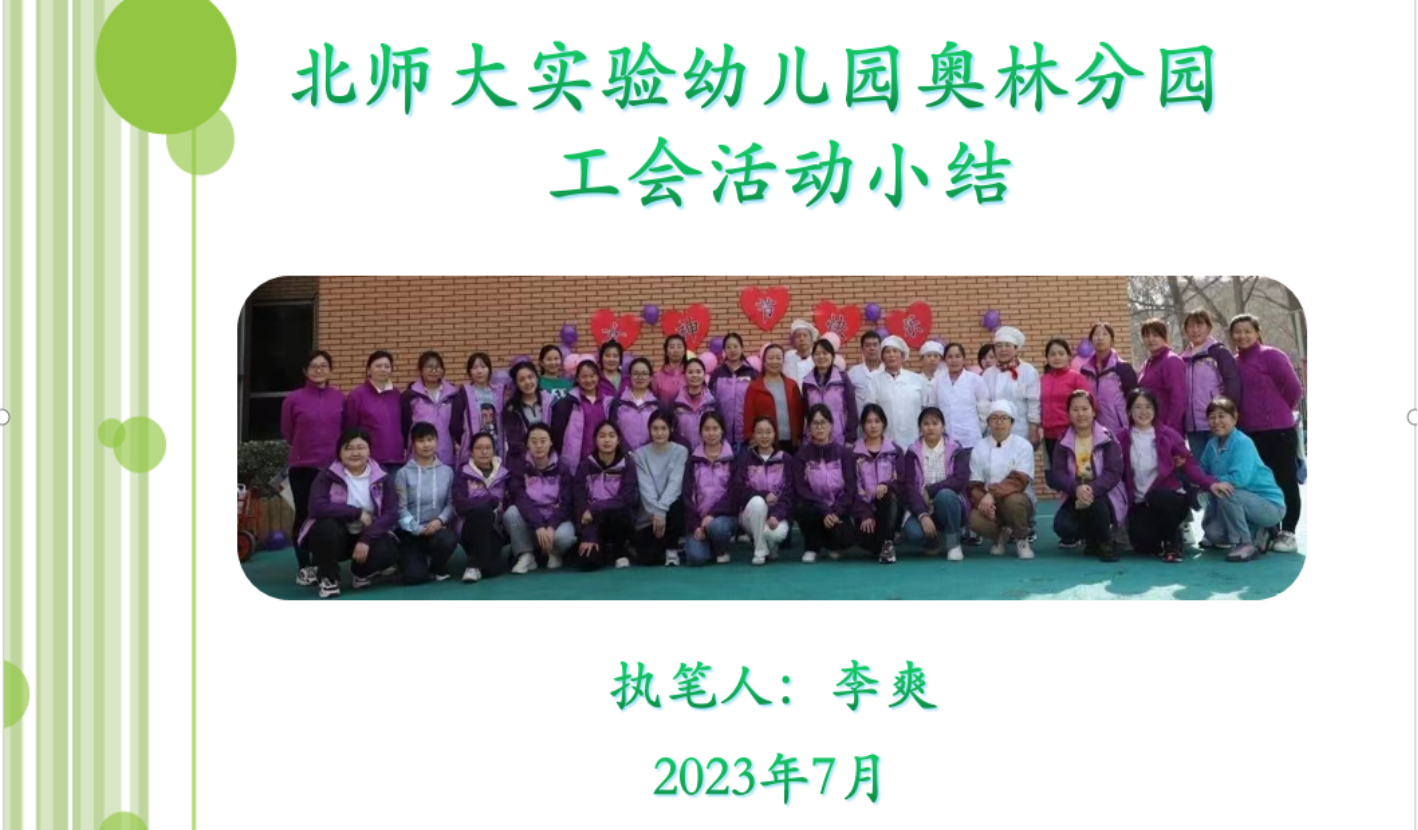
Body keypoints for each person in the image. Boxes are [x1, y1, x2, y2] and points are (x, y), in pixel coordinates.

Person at [1118, 388, 1220, 564]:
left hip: (1170, 498)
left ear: (1155, 410)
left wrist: (1209, 483)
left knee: (1159, 497)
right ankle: (1159, 536)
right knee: (1145, 548)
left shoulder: (1169, 435)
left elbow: (1189, 464)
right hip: (1140, 502)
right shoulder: (1121, 437)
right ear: (1129, 411)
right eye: (1137, 407)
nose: (1143, 412)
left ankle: (1173, 540)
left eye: (1148, 407)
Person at [1229, 313, 1304, 552]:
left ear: (1257, 333)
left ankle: (1288, 532)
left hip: (1278, 431)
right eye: (1237, 332)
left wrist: (1279, 411)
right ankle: (1269, 529)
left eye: (1247, 331)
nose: (1242, 336)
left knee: (1285, 481)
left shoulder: (1271, 355)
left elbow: (1294, 389)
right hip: (1248, 434)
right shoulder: (1233, 362)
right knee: (1260, 483)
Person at [296, 429, 399, 599]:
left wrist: (366, 539)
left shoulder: (381, 476)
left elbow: (391, 513)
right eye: (349, 448)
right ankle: (328, 578)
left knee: (390, 549)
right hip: (336, 536)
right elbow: (316, 507)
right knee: (326, 526)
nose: (355, 453)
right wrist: (356, 513)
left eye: (361, 447)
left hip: (365, 534)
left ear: (369, 450)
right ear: (339, 452)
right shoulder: (327, 475)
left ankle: (361, 572)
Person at [282, 350, 345, 586]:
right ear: (305, 371)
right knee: (303, 514)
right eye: (314, 366)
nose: (319, 370)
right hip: (303, 467)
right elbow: (288, 432)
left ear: (330, 369)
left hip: (332, 469)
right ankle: (304, 566)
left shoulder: (339, 398)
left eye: (323, 365)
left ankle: (322, 562)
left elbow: (344, 430)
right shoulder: (293, 399)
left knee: (328, 516)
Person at [1197, 397, 1287, 562]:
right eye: (1212, 417)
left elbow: (1240, 479)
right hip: (1242, 500)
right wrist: (1206, 481)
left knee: (1225, 492)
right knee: (1214, 535)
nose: (1216, 421)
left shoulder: (1243, 443)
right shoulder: (1212, 444)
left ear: (1234, 418)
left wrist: (1212, 482)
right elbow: (1201, 473)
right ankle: (1260, 532)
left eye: (1221, 416)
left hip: (1269, 505)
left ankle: (1245, 543)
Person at [1045, 391, 1125, 561]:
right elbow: (1058, 473)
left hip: (1103, 492)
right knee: (1063, 526)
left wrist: (1090, 488)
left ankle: (1105, 542)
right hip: (1075, 492)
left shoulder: (1108, 437)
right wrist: (1076, 488)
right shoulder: (1063, 440)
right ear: (1068, 413)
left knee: (1096, 503)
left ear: (1093, 411)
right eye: (1075, 409)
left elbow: (1114, 471)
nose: (1080, 414)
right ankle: (1091, 539)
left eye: (1085, 408)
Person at [967, 401, 1037, 559]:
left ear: (1012, 422)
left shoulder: (1023, 445)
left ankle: (1022, 539)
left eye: (1004, 418)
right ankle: (999, 536)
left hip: (1018, 499)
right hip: (989, 502)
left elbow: (1019, 480)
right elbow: (975, 484)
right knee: (974, 519)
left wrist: (991, 494)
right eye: (994, 418)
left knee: (1013, 501)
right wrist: (983, 503)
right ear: (988, 423)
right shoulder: (979, 447)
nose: (999, 423)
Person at [504, 423, 577, 574]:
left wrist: (551, 526)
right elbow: (521, 499)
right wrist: (538, 525)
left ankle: (554, 552)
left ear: (551, 442)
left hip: (555, 520)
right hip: (531, 521)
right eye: (534, 441)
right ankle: (526, 554)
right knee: (511, 513)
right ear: (527, 444)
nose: (538, 446)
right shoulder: (520, 468)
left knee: (564, 538)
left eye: (543, 441)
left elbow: (566, 503)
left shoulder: (562, 468)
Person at [900, 408, 971, 560]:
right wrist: (922, 514)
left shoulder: (956, 449)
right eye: (926, 424)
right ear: (920, 428)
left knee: (945, 495)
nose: (930, 427)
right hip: (924, 506)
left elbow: (960, 480)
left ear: (943, 426)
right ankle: (932, 542)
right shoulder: (912, 453)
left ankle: (953, 544)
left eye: (935, 423)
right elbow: (910, 487)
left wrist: (930, 490)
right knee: (912, 532)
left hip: (950, 504)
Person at [394, 422, 458, 584]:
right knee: (414, 577)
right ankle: (412, 561)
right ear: (413, 444)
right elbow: (401, 508)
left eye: (430, 439)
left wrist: (440, 521)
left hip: (436, 529)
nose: (426, 444)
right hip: (411, 533)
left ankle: (437, 566)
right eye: (421, 440)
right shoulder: (403, 473)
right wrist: (417, 529)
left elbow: (451, 503)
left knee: (448, 540)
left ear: (436, 441)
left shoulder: (447, 472)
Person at [792, 404, 858, 563]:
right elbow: (801, 489)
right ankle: (812, 547)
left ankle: (830, 545)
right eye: (815, 423)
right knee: (802, 509)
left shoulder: (844, 453)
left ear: (831, 425)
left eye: (823, 422)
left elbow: (850, 488)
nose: (819, 427)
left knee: (846, 538)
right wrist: (824, 509)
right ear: (809, 427)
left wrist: (835, 511)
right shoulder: (801, 455)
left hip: (837, 508)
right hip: (815, 508)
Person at [573, 421, 639, 570]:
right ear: (595, 440)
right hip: (592, 522)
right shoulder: (584, 466)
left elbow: (626, 499)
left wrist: (595, 508)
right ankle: (600, 550)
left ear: (618, 440)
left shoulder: (627, 464)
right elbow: (579, 500)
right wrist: (589, 535)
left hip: (617, 519)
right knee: (588, 562)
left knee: (620, 513)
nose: (607, 440)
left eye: (611, 436)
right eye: (602, 436)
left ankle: (620, 551)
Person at [1179, 309, 1243, 458]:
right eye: (1191, 326)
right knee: (1201, 466)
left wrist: (1226, 415)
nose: (1195, 330)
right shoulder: (1183, 358)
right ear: (1185, 330)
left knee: (1220, 464)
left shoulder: (1219, 353)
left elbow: (1233, 384)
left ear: (1209, 327)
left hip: (1216, 423)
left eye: (1199, 325)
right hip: (1193, 426)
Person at [733, 416, 793, 566]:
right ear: (753, 435)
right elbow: (740, 490)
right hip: (750, 515)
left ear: (775, 434)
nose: (764, 436)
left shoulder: (785, 459)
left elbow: (789, 493)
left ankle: (771, 544)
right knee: (758, 502)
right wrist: (763, 495)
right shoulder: (744, 459)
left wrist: (776, 515)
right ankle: (760, 549)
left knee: (776, 534)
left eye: (768, 432)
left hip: (777, 515)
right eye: (759, 432)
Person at [451, 432, 510, 583]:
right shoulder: (462, 474)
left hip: (496, 529)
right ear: (471, 452)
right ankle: (473, 565)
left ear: (494, 450)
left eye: (488, 448)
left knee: (491, 570)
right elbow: (460, 505)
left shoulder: (504, 474)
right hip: (469, 528)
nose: (484, 452)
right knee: (483, 511)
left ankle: (477, 564)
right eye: (479, 448)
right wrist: (489, 501)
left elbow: (510, 501)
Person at [682, 412, 738, 566]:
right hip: (698, 520)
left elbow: (734, 494)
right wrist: (695, 525)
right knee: (696, 558)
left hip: (723, 518)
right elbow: (687, 496)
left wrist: (713, 515)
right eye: (707, 429)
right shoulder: (693, 460)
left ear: (722, 430)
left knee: (718, 528)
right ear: (700, 432)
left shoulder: (733, 459)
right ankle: (709, 546)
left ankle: (722, 549)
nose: (711, 433)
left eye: (715, 428)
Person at [633, 411, 688, 566]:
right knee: (648, 559)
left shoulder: (681, 451)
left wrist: (662, 509)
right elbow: (645, 486)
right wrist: (656, 512)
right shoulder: (640, 454)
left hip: (669, 510)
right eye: (655, 428)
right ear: (649, 430)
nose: (659, 433)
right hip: (649, 516)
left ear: (671, 429)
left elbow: (675, 484)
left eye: (663, 428)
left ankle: (672, 549)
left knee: (677, 503)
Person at [851, 404, 903, 564]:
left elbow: (902, 481)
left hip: (890, 505)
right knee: (865, 540)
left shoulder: (895, 451)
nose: (873, 426)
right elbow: (851, 488)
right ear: (862, 425)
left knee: (888, 494)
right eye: (868, 422)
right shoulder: (853, 454)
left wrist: (887, 485)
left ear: (883, 424)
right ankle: (883, 541)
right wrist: (865, 513)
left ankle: (888, 543)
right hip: (865, 508)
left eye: (877, 421)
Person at [342, 350, 405, 477]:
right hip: (369, 461)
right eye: (378, 366)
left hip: (395, 460)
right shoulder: (357, 395)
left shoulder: (396, 394)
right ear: (369, 370)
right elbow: (350, 428)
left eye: (387, 366)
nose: (383, 369)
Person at [979, 327, 1041, 446]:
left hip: (1021, 431)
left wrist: (1033, 431)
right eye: (999, 346)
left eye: (1008, 345)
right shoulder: (988, 374)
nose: (1003, 349)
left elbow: (1034, 403)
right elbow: (983, 404)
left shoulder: (1028, 371)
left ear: (1016, 348)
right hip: (994, 433)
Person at [869, 335, 930, 450]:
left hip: (914, 440)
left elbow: (926, 410)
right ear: (882, 357)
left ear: (902, 356)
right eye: (887, 352)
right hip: (885, 442)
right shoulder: (874, 381)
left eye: (895, 351)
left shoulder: (918, 380)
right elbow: (870, 412)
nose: (891, 355)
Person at [1079, 322, 1138, 436]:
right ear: (1091, 341)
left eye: (1105, 334)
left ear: (1112, 341)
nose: (1100, 338)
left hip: (1120, 431)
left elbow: (1134, 401)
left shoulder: (1123, 368)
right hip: (1093, 431)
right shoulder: (1085, 370)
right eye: (1096, 334)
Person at [400, 350, 458, 466]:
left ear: (443, 370)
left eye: (437, 367)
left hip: (447, 458)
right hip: (418, 458)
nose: (433, 371)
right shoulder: (410, 396)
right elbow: (404, 427)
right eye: (429, 367)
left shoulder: (454, 395)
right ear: (420, 370)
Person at [549, 359, 612, 465]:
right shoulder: (568, 401)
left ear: (598, 377)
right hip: (576, 459)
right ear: (577, 379)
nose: (588, 380)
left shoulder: (607, 402)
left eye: (592, 376)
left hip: (602, 457)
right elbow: (557, 433)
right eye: (584, 376)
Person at [744, 344, 804, 452]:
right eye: (771, 358)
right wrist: (750, 436)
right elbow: (748, 414)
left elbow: (799, 414)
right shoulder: (755, 387)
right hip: (765, 441)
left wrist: (799, 435)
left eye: (778, 358)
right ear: (764, 361)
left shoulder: (792, 386)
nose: (775, 362)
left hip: (790, 442)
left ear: (783, 361)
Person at [1040, 338, 1091, 464]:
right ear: (1047, 358)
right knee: (1055, 471)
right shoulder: (1042, 380)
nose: (1057, 357)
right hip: (1049, 436)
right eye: (1052, 354)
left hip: (1072, 433)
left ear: (1068, 356)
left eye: (1061, 353)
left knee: (1076, 470)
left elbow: (1090, 404)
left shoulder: (1076, 378)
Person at [800, 337, 858, 445]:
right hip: (814, 438)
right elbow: (807, 413)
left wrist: (850, 438)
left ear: (832, 356)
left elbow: (852, 410)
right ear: (812, 357)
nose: (821, 357)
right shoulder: (807, 382)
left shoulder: (842, 379)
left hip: (839, 437)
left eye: (825, 353)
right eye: (817, 354)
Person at [450, 352, 505, 463]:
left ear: (489, 369)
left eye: (483, 367)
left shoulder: (499, 392)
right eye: (475, 368)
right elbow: (455, 425)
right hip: (472, 450)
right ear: (469, 371)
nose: (479, 371)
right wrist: (466, 441)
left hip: (496, 449)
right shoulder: (463, 394)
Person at [1136, 318, 1187, 435]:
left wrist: (1169, 430)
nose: (1151, 339)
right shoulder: (1147, 364)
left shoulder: (1172, 361)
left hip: (1167, 430)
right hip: (1148, 428)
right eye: (1146, 335)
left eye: (1155, 335)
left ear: (1164, 337)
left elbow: (1178, 399)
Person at [933, 342, 987, 450]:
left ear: (963, 359)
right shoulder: (938, 382)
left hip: (971, 438)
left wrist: (977, 429)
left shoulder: (975, 379)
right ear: (945, 360)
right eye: (950, 357)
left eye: (958, 356)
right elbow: (934, 408)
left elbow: (985, 408)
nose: (954, 360)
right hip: (945, 439)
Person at [710, 332, 759, 448]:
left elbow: (758, 404)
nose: (732, 350)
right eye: (728, 347)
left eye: (736, 346)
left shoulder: (752, 373)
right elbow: (710, 402)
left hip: (747, 435)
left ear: (742, 348)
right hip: (721, 435)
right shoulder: (717, 373)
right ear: (724, 351)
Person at [501, 360, 555, 459]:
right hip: (523, 460)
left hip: (549, 458)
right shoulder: (511, 409)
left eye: (530, 377)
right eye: (522, 380)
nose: (527, 382)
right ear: (516, 383)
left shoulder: (551, 402)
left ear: (537, 378)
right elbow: (513, 440)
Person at [609, 357, 661, 452]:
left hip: (650, 454)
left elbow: (660, 431)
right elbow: (613, 429)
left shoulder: (657, 404)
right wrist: (626, 451)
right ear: (630, 376)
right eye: (636, 373)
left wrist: (646, 452)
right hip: (623, 454)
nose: (640, 377)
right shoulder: (618, 402)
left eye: (644, 374)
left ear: (650, 377)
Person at [671, 358, 718, 450]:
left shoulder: (713, 401)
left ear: (704, 374)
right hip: (683, 452)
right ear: (684, 375)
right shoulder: (676, 402)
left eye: (698, 372)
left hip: (706, 452)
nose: (694, 375)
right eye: (690, 372)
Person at [849, 330, 885, 416]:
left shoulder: (887, 371)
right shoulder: (853, 372)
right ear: (862, 349)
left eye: (875, 345)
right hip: (859, 421)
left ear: (880, 348)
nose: (872, 348)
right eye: (867, 345)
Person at [651, 334, 689, 407]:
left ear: (684, 351)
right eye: (672, 347)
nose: (676, 350)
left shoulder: (691, 374)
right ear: (666, 352)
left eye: (679, 347)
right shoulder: (657, 377)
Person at [783, 319, 818, 384]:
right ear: (793, 341)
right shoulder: (787, 359)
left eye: (805, 335)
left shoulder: (818, 360)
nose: (802, 339)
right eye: (798, 336)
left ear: (811, 339)